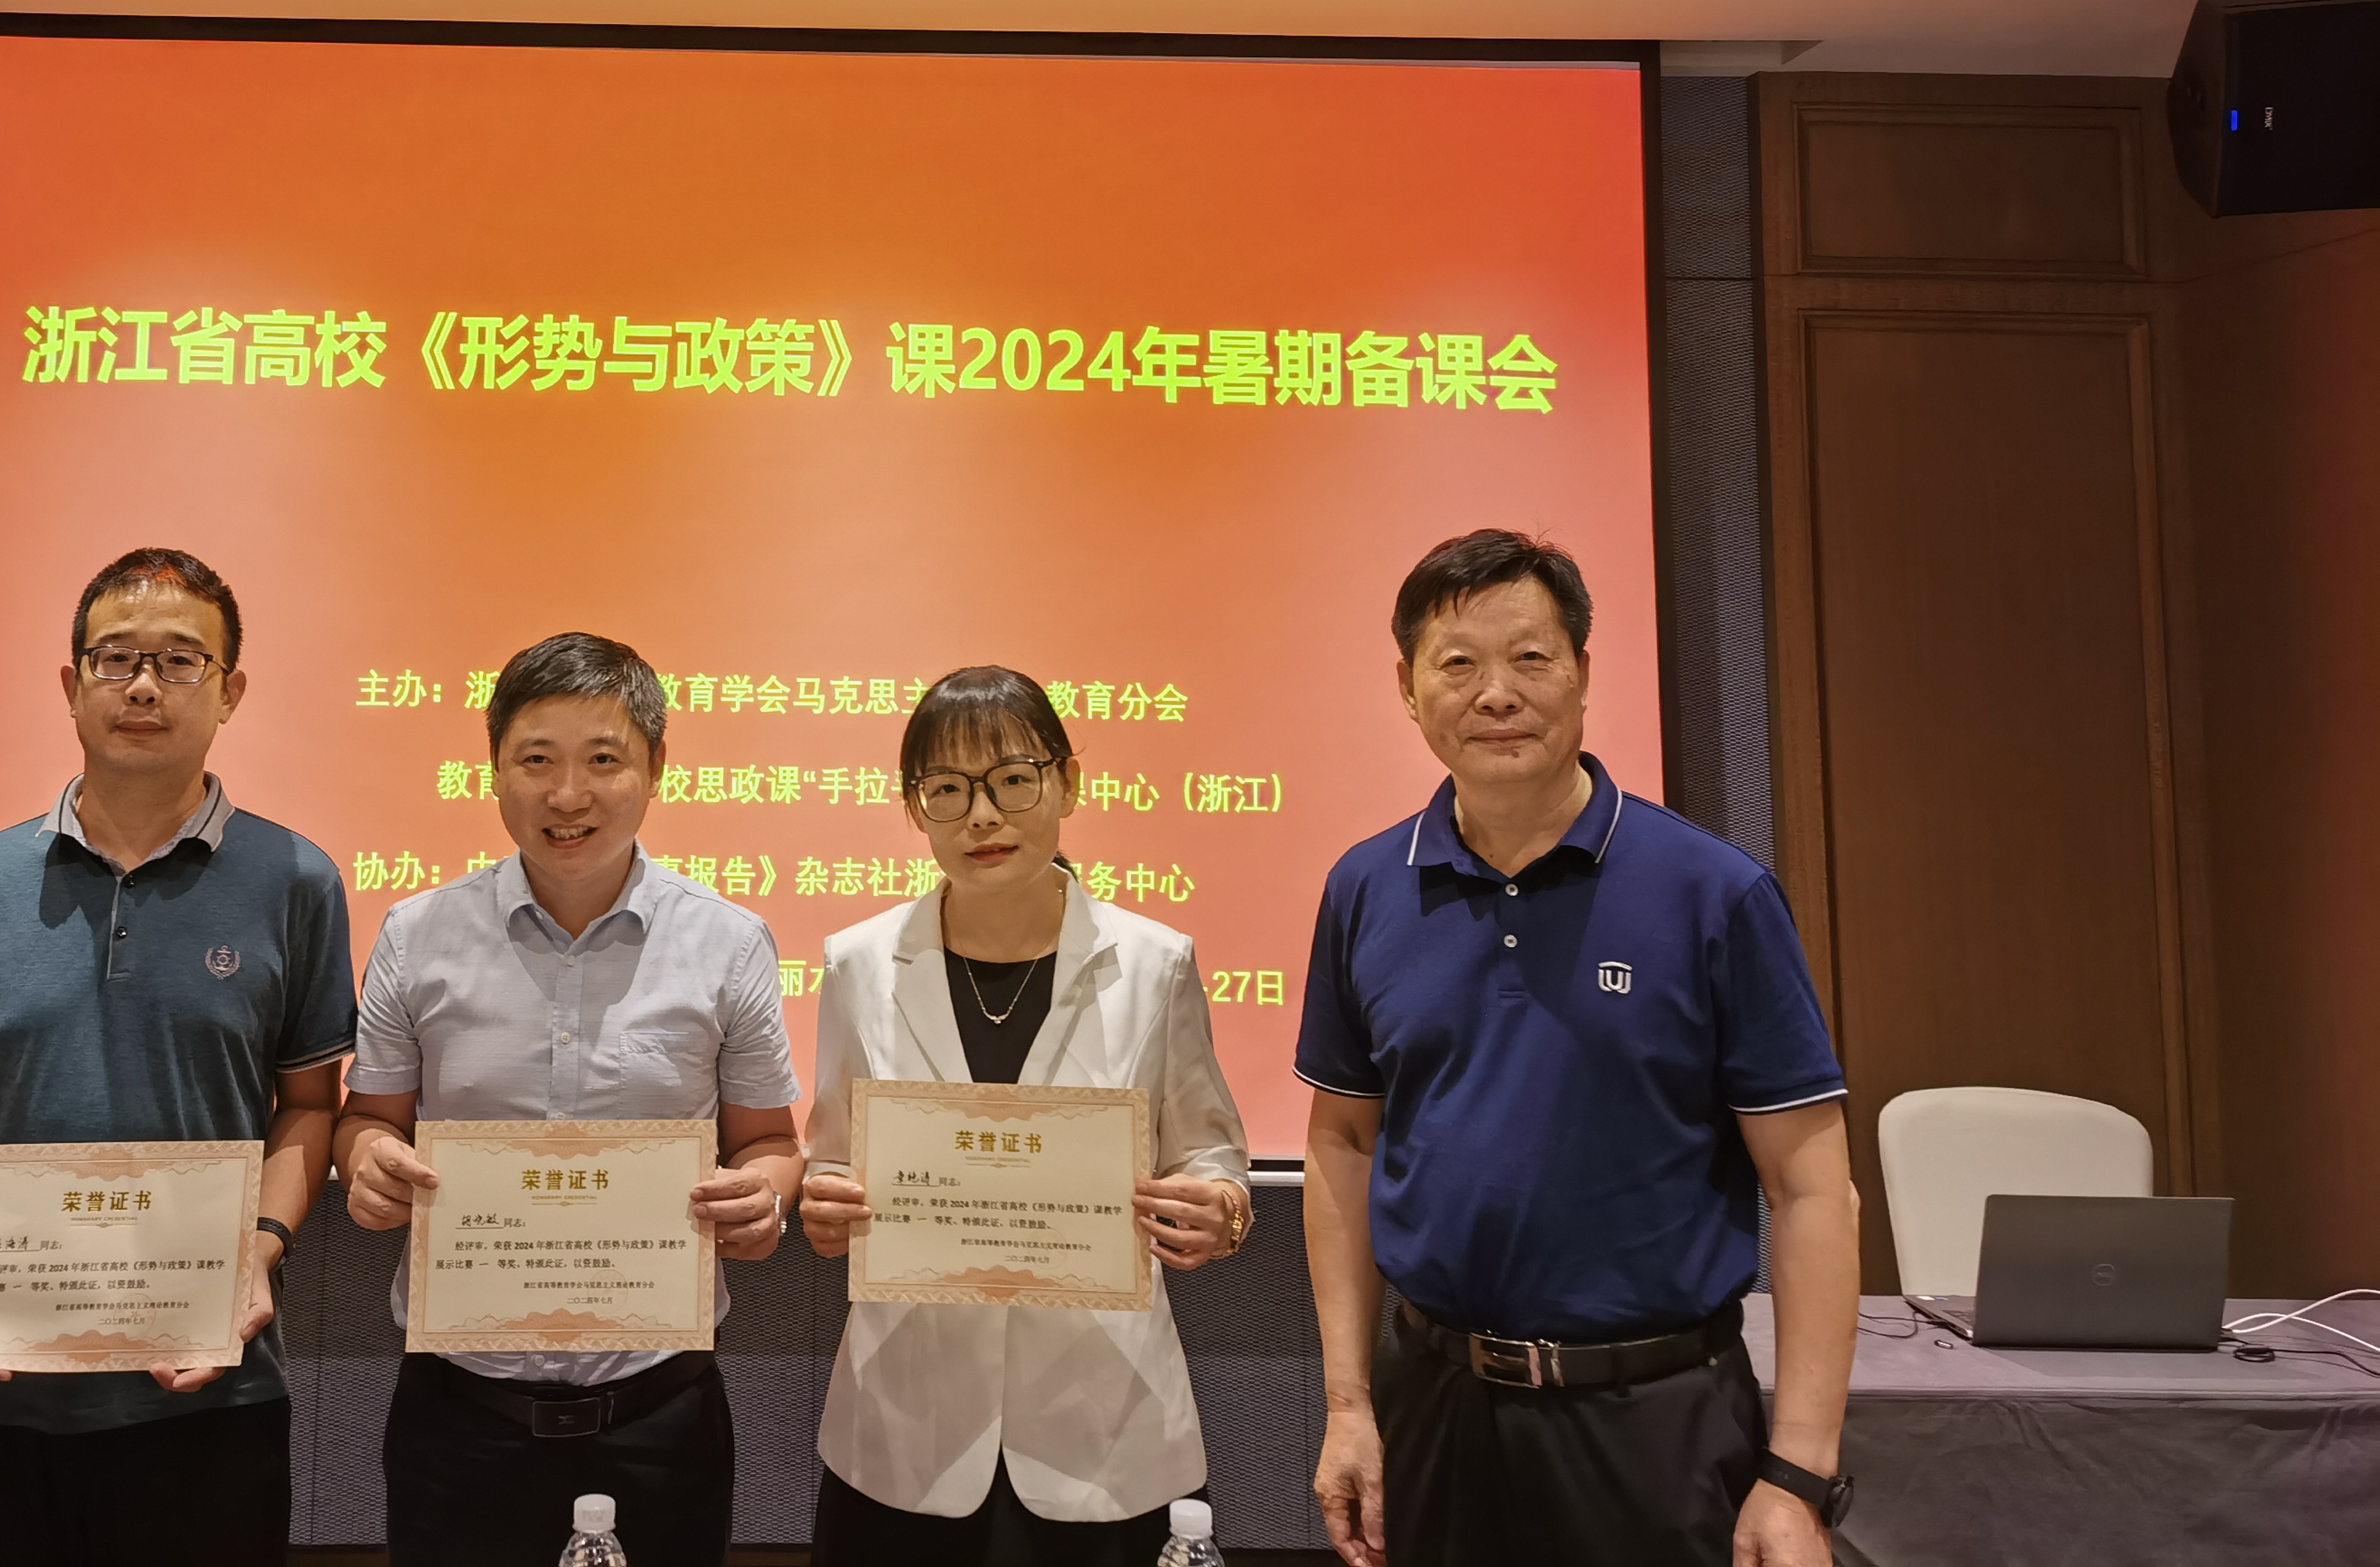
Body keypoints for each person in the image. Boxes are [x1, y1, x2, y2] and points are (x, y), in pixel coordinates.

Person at [1301, 530, 1860, 1567]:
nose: (1495, 694)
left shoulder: (1714, 893)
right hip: (1439, 1411)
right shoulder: (1366, 888)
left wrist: (1797, 1474)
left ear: (1584, 673)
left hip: (1655, 1419)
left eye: (1531, 658)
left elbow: (1812, 1189)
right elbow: (1342, 1142)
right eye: (1458, 664)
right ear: (1408, 689)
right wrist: (1348, 1405)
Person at [0, 547, 351, 1567]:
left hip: (207, 1385)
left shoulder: (297, 880)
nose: (144, 686)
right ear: (71, 683)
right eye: (116, 658)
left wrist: (259, 1250)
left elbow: (311, 1106)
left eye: (180, 661)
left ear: (229, 692)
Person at [335, 632, 803, 1567]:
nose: (567, 796)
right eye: (536, 760)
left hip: (660, 1410)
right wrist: (366, 1163)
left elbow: (768, 1143)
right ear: (493, 770)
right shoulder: (419, 935)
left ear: (655, 767)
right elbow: (368, 1120)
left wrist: (767, 1195)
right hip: (458, 1410)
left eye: (603, 760)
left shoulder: (728, 943)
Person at [800, 665, 1253, 1567]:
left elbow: (1210, 1152)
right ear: (914, 806)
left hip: (1103, 1416)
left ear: (1067, 782)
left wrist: (1222, 1208)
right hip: (907, 1415)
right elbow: (832, 1158)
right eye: (947, 789)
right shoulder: (858, 964)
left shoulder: (1155, 963)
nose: (981, 816)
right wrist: (824, 1202)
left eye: (1011, 779)